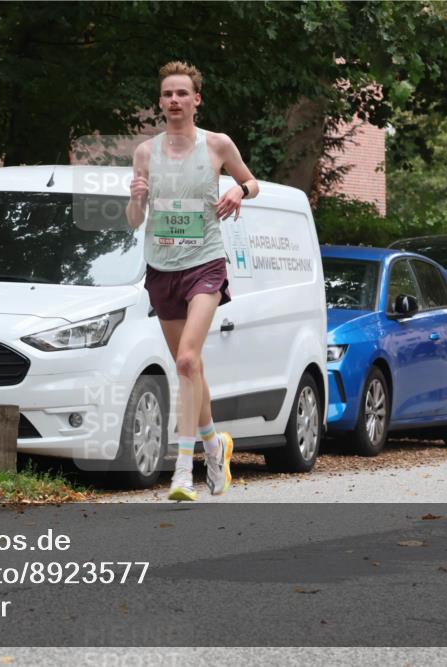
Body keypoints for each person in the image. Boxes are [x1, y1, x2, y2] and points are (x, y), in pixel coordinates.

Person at [126, 61, 259, 501]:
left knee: (186, 360)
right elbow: (134, 221)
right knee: (191, 368)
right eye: (167, 94)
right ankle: (213, 443)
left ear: (196, 99)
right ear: (160, 102)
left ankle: (182, 472)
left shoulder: (217, 145)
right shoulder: (146, 152)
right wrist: (136, 201)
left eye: (182, 93)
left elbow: (251, 181)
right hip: (161, 267)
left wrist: (239, 190)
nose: (174, 101)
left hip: (205, 262)